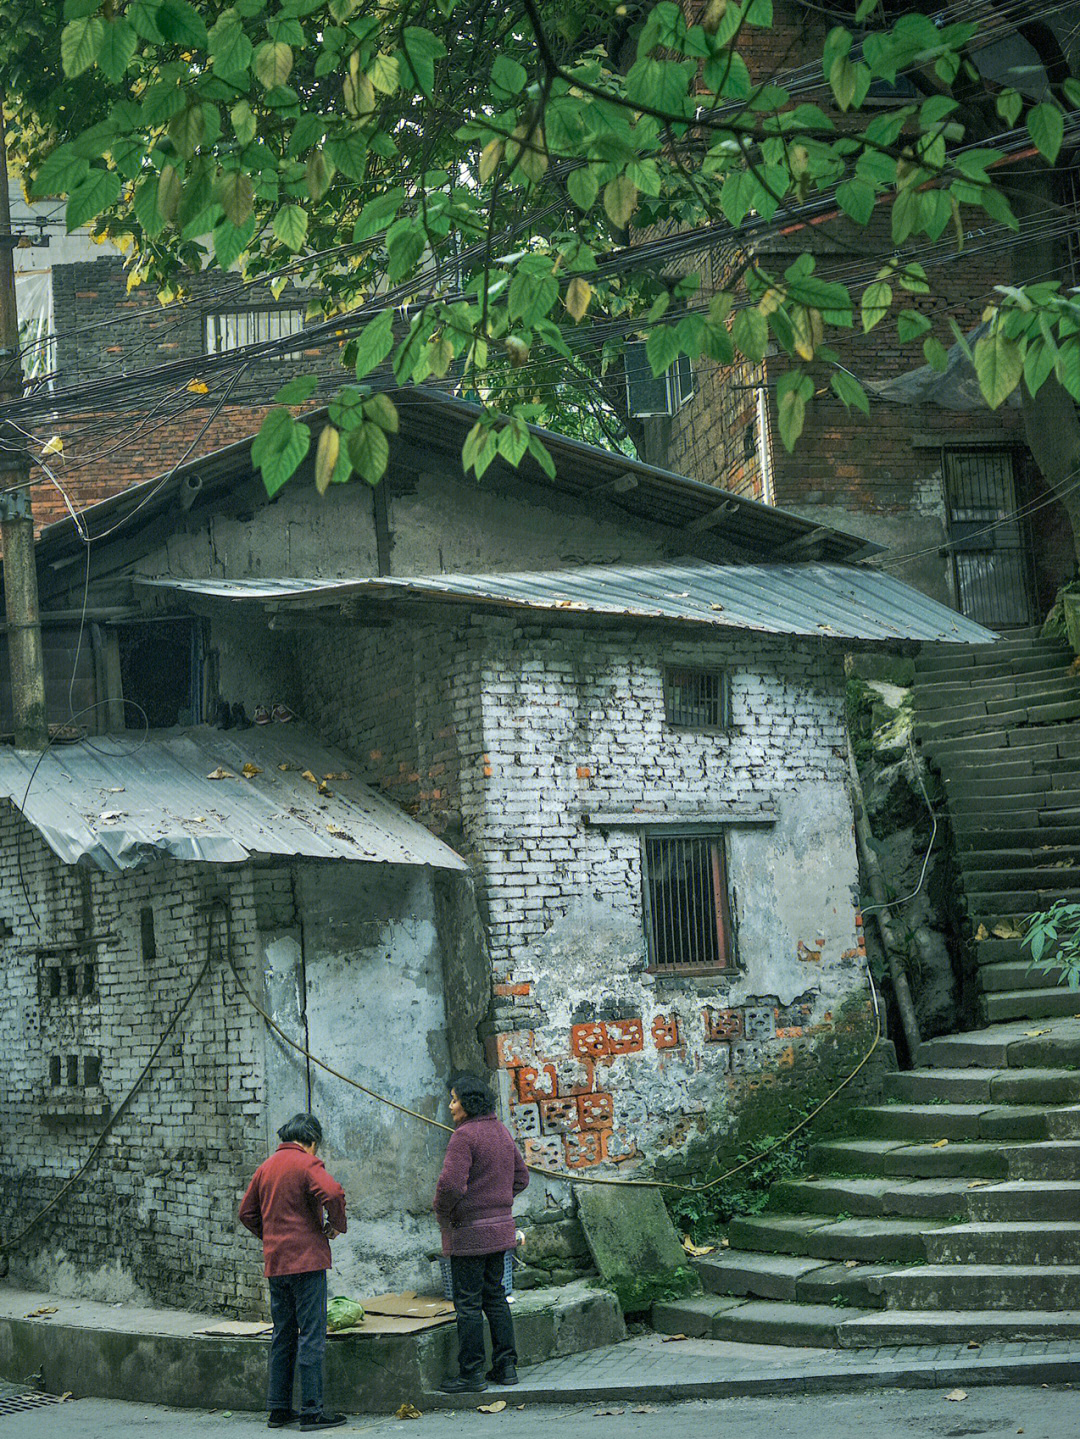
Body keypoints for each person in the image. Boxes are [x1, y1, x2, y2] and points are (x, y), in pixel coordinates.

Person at [239, 1113, 348, 1431]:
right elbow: (334, 1194)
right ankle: (312, 1411)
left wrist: (270, 1237)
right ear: (311, 1141)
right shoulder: (307, 1163)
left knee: (283, 1334)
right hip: (307, 1262)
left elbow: (246, 1213)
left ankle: (278, 1409)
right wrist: (335, 1226)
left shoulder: (266, 1167)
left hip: (277, 1264)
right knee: (312, 1335)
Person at [433, 1073, 529, 1393]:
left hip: (470, 1233)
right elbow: (522, 1177)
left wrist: (443, 1214)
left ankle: (471, 1373)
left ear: (469, 1103)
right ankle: (506, 1367)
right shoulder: (501, 1131)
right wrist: (499, 1206)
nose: (450, 1106)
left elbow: (449, 1186)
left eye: (455, 1099)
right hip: (500, 1231)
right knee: (496, 1297)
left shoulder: (464, 1136)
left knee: (469, 1305)